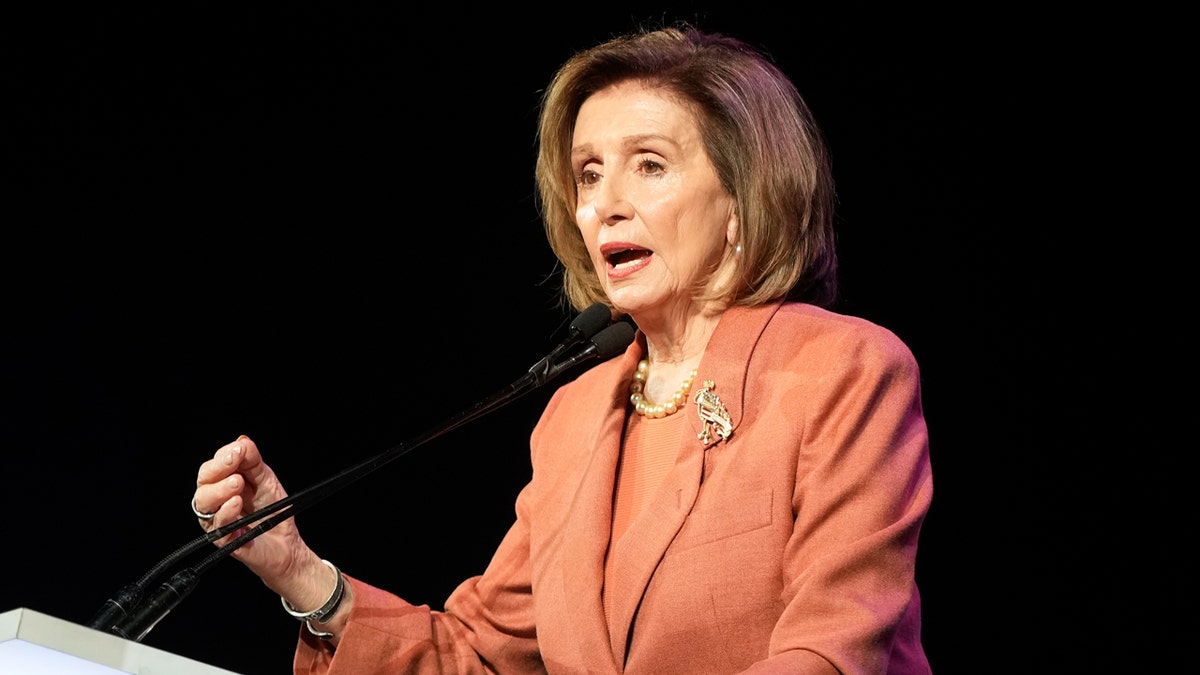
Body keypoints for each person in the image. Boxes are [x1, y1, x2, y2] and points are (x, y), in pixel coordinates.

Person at [191, 23, 933, 674]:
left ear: (743, 200)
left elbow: (836, 650)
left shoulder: (840, 370)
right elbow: (482, 656)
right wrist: (300, 573)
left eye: (649, 164)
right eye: (588, 173)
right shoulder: (575, 416)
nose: (605, 203)